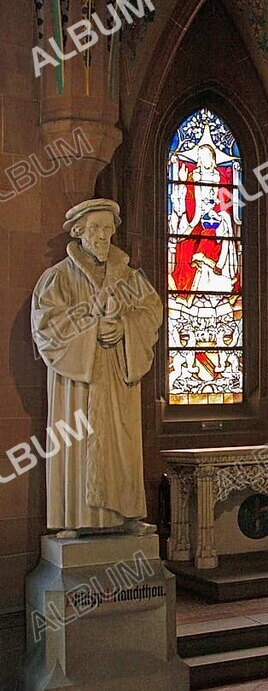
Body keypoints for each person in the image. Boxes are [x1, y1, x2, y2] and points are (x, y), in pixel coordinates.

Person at [31, 199, 163, 536]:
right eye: (95, 228)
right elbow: (46, 325)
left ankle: (127, 515)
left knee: (122, 443)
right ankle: (74, 519)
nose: (103, 236)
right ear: (78, 233)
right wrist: (90, 330)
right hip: (79, 381)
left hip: (118, 376)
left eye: (108, 228)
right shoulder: (57, 277)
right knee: (78, 444)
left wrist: (125, 327)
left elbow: (151, 313)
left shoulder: (130, 278)